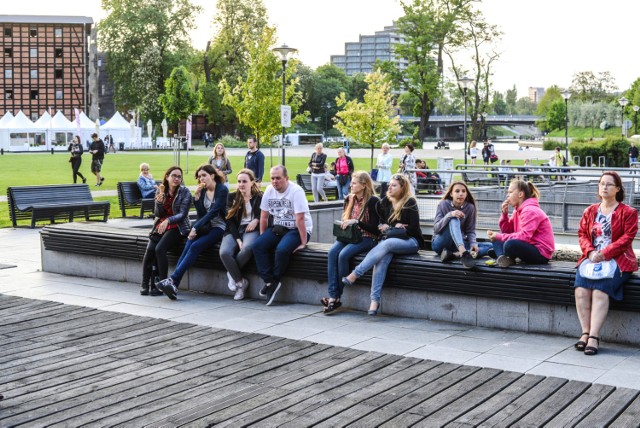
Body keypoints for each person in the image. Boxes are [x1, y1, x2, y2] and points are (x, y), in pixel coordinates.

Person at [574, 171, 638, 356]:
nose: (604, 187)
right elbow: (582, 235)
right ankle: (585, 333)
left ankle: (594, 336)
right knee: (581, 290)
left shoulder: (629, 212)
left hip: (619, 260)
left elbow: (627, 238)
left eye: (609, 184)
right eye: (602, 183)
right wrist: (591, 252)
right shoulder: (590, 211)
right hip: (591, 259)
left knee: (600, 290)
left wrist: (604, 253)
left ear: (617, 189)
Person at [342, 174, 424, 315]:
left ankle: (356, 273)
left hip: (411, 241)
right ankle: (374, 301)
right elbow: (382, 224)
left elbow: (414, 228)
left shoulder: (410, 202)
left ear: (402, 187)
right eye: (389, 185)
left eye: (394, 185)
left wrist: (397, 227)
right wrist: (391, 225)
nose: (389, 188)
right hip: (392, 240)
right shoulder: (385, 201)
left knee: (387, 244)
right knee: (382, 259)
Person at [156, 164, 228, 300]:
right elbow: (202, 213)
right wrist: (197, 198)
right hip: (205, 226)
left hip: (219, 227)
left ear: (212, 176)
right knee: (188, 244)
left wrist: (194, 228)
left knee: (195, 246)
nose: (201, 178)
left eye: (204, 175)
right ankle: (174, 284)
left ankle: (172, 281)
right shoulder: (203, 191)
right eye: (199, 176)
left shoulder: (221, 189)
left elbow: (214, 212)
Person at [252, 165, 312, 306]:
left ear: (286, 178)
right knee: (257, 246)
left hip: (298, 229)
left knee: (282, 250)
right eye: (272, 178)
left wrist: (303, 242)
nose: (274, 181)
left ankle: (275, 281)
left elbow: (300, 219)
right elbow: (264, 217)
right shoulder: (269, 190)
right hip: (278, 227)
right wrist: (263, 237)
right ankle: (269, 281)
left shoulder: (296, 191)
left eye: (278, 178)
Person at [323, 171, 381, 314]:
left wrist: (357, 222)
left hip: (367, 238)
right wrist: (345, 223)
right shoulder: (350, 199)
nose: (351, 185)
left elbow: (376, 229)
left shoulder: (373, 201)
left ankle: (335, 297)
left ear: (364, 185)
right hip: (349, 236)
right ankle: (333, 295)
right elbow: (347, 218)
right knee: (332, 253)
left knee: (343, 255)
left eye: (354, 183)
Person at [140, 166, 192, 296]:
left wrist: (168, 221)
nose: (176, 179)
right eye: (173, 175)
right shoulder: (161, 190)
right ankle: (145, 283)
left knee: (159, 249)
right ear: (167, 176)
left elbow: (183, 214)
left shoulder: (185, 192)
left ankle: (163, 284)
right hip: (161, 225)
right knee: (150, 250)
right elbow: (158, 213)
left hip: (178, 226)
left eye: (179, 176)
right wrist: (159, 202)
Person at [487, 179, 555, 268]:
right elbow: (507, 231)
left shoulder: (530, 210)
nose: (508, 195)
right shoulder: (518, 211)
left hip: (540, 253)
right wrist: (504, 214)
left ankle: (501, 254)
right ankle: (502, 256)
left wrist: (499, 236)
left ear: (520, 194)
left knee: (509, 245)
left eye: (510, 192)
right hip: (529, 246)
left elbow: (524, 237)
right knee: (496, 239)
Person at [220, 168, 263, 300]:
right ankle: (240, 282)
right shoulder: (232, 197)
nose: (241, 184)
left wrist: (256, 220)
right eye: (239, 181)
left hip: (251, 230)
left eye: (244, 181)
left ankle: (232, 274)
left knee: (248, 248)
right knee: (224, 253)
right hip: (234, 230)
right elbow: (230, 222)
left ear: (252, 182)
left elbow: (265, 214)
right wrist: (238, 239)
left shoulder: (259, 197)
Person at [431, 181, 494, 269]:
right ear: (451, 194)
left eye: (463, 191)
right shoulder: (443, 204)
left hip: (455, 246)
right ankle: (464, 253)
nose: (461, 194)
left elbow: (470, 231)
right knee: (454, 218)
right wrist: (450, 215)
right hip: (440, 244)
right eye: (457, 191)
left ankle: (454, 255)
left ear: (466, 194)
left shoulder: (470, 207)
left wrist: (473, 244)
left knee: (491, 246)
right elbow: (436, 229)